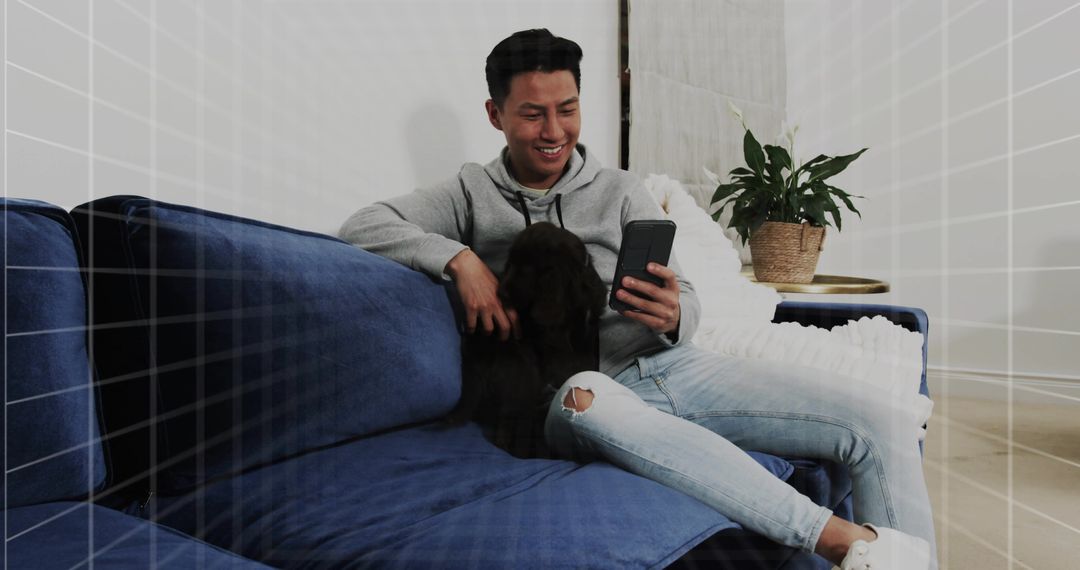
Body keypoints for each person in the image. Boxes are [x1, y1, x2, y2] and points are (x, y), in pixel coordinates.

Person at [339, 29, 936, 570]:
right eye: (532, 114)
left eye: (567, 110)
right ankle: (843, 542)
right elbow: (362, 226)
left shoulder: (621, 190)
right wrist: (457, 258)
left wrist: (676, 314)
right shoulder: (469, 194)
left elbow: (691, 298)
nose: (554, 132)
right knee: (592, 397)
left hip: (675, 368)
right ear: (496, 115)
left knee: (879, 419)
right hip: (579, 393)